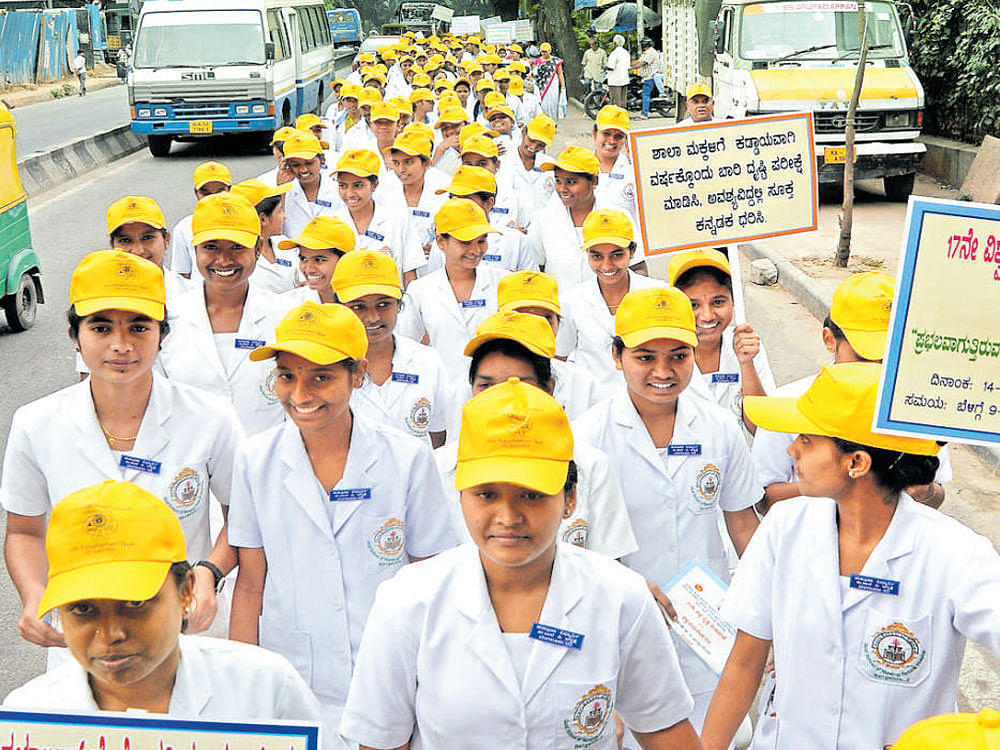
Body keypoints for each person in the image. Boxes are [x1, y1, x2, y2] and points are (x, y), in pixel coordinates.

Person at [340, 378, 701, 750]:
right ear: (460, 494)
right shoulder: (408, 600)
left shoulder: (621, 597)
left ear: (570, 497)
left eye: (532, 495)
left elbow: (664, 729)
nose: (508, 516)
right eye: (487, 494)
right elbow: (383, 742)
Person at [700, 362, 1000, 750]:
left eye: (806, 440)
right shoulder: (785, 527)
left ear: (856, 462)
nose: (791, 449)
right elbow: (744, 661)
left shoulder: (955, 555)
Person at [228, 301, 455, 733]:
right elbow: (251, 583)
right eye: (287, 377)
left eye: (321, 377)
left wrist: (438, 684)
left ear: (358, 374)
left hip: (390, 673)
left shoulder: (405, 459)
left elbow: (432, 578)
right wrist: (244, 691)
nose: (301, 395)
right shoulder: (255, 461)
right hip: (292, 677)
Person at [0, 251, 244, 646]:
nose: (121, 345)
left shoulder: (210, 417)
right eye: (100, 328)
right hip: (82, 635)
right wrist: (34, 597)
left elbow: (243, 515)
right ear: (74, 334)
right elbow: (24, 532)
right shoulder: (36, 424)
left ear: (161, 335)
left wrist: (210, 572)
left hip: (181, 626)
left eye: (138, 327)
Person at [3, 481, 336, 748]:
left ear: (186, 590)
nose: (111, 633)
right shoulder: (30, 716)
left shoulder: (263, 687)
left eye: (135, 604)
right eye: (83, 609)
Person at [573, 286, 761, 733]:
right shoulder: (586, 438)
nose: (663, 371)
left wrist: (765, 608)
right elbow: (572, 551)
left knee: (706, 734)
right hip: (617, 627)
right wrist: (632, 585)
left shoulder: (718, 429)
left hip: (705, 627)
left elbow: (743, 526)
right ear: (617, 356)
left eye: (678, 356)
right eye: (644, 357)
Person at [434, 309, 635, 558]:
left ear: (549, 389)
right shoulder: (439, 467)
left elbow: (609, 562)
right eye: (486, 386)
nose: (501, 398)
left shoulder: (588, 464)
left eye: (519, 383)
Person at [750, 271, 952, 514]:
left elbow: (935, 495)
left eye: (889, 358)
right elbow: (763, 499)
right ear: (829, 339)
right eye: (864, 356)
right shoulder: (787, 405)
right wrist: (841, 484)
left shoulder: (913, 408)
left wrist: (925, 490)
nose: (877, 369)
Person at [159, 193, 286, 437]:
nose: (224, 260)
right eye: (211, 247)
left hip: (268, 464)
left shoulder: (283, 317)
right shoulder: (168, 320)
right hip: (192, 466)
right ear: (195, 249)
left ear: (258, 247)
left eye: (237, 247)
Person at [333, 250, 451, 448]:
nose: (373, 317)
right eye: (358, 306)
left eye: (383, 304)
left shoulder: (426, 361)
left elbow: (437, 434)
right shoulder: (321, 367)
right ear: (338, 306)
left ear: (398, 304)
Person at [396, 198, 508, 392]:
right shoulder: (421, 290)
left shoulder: (504, 284)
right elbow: (406, 347)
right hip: (443, 394)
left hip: (496, 394)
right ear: (441, 241)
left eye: (482, 241)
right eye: (465, 242)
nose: (475, 250)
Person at [561, 209, 667, 396]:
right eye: (597, 256)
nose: (607, 265)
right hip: (591, 406)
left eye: (617, 255)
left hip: (648, 402)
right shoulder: (572, 301)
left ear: (632, 251)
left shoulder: (658, 295)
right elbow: (560, 358)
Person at [668, 249, 775, 434]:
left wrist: (747, 364)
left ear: (733, 302)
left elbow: (761, 429)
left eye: (718, 302)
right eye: (693, 305)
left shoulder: (747, 345)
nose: (707, 316)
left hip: (735, 460)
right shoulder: (661, 352)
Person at [529, 145, 648, 291]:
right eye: (558, 181)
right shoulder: (543, 220)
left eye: (571, 182)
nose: (562, 188)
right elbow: (537, 270)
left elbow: (639, 269)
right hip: (562, 309)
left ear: (594, 181)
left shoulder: (619, 216)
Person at [496, 270, 601, 419]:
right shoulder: (478, 383)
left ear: (558, 324)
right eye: (522, 318)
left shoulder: (582, 384)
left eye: (545, 320)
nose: (535, 329)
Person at [332, 149, 425, 286]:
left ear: (374, 185)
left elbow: (410, 274)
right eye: (343, 186)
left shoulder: (398, 219)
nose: (350, 193)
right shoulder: (332, 222)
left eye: (358, 185)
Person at [106, 196, 189, 303]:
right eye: (125, 240)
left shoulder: (193, 297)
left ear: (166, 240)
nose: (138, 251)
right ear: (113, 246)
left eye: (147, 238)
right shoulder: (102, 300)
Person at [230, 179, 298, 295]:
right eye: (280, 211)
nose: (284, 217)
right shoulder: (236, 261)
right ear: (263, 219)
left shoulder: (284, 243)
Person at [169, 161, 232, 278]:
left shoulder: (245, 222)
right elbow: (182, 274)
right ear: (196, 193)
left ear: (230, 190)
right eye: (205, 193)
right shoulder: (183, 228)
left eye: (219, 192)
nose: (213, 198)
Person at [278, 216, 356, 306]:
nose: (309, 269)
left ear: (345, 260)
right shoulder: (289, 305)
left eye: (319, 260)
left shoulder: (369, 302)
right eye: (303, 259)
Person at [282, 131, 344, 240]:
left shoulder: (338, 191)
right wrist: (281, 191)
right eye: (296, 165)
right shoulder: (284, 194)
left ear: (321, 160)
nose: (303, 169)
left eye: (309, 163)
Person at [592, 105, 640, 225]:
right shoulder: (580, 168)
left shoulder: (634, 171)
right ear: (594, 134)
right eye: (606, 133)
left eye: (618, 136)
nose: (612, 141)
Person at [499, 113, 556, 210]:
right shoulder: (504, 161)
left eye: (540, 145)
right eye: (531, 140)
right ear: (524, 132)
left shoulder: (550, 165)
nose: (533, 147)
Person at [532, 42, 566, 120]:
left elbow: (560, 74)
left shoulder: (556, 61)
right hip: (541, 85)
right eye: (542, 51)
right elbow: (534, 73)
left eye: (545, 51)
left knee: (552, 103)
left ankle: (553, 121)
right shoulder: (537, 61)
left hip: (552, 84)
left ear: (550, 51)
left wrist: (563, 86)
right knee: (542, 104)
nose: (543, 53)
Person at [632, 38, 661, 120]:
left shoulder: (651, 52)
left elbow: (643, 63)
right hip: (645, 77)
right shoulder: (646, 53)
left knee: (645, 95)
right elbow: (639, 61)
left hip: (650, 77)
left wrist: (631, 68)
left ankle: (644, 114)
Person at [605, 35, 630, 109]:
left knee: (616, 101)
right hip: (624, 79)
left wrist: (604, 67)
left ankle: (617, 118)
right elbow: (628, 66)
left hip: (615, 80)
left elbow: (611, 66)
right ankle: (623, 116)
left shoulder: (614, 53)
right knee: (623, 101)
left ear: (615, 43)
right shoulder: (626, 53)